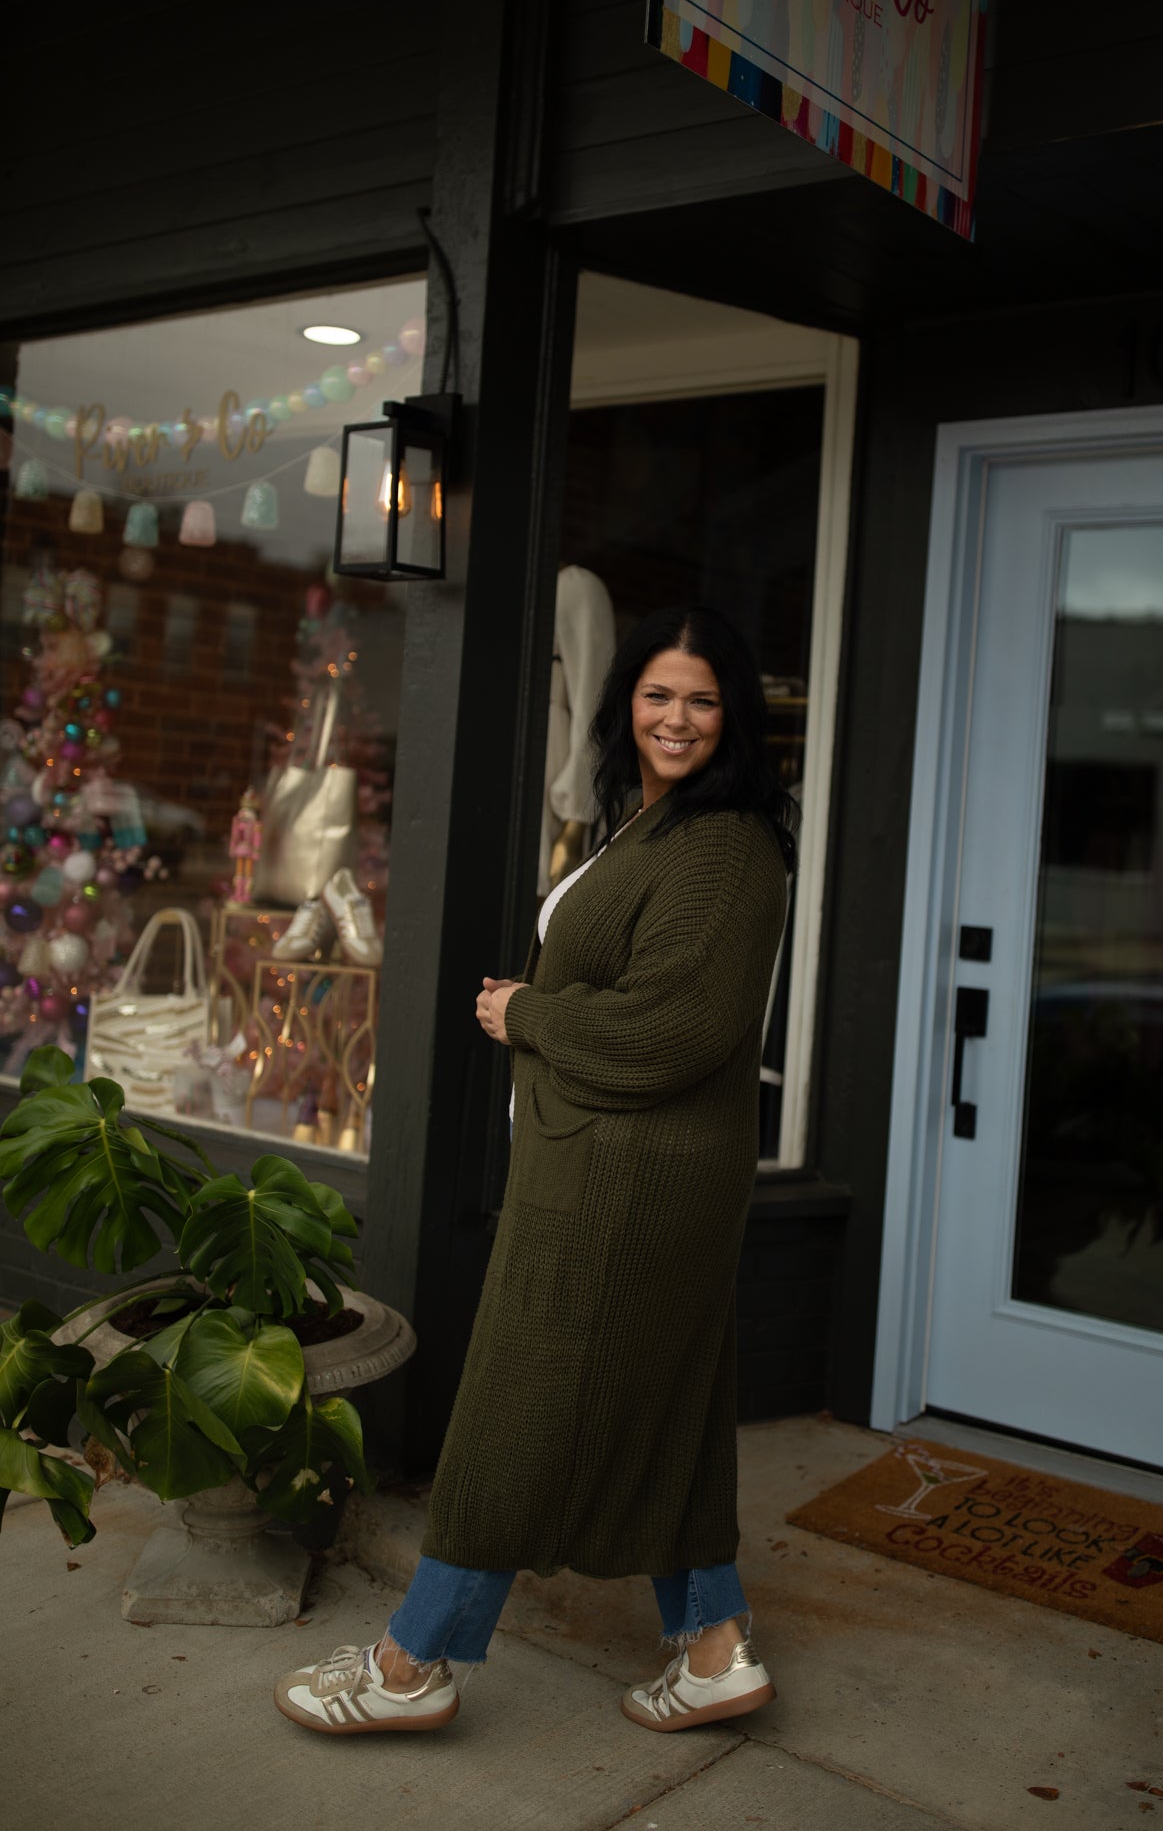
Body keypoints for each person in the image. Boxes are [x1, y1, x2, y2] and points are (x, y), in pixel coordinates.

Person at [274, 605, 796, 1737]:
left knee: (521, 1402)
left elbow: (673, 1030)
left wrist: (528, 1013)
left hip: (627, 1177)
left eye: (703, 699)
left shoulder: (726, 845)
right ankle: (713, 1643)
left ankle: (412, 1661)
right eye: (659, 694)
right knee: (675, 1402)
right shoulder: (659, 825)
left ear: (735, 715)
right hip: (627, 1166)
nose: (677, 716)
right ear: (627, 706)